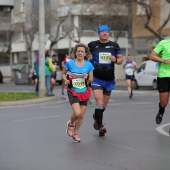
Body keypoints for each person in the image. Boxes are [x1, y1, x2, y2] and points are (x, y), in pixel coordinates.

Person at [88, 25, 123, 136]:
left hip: (109, 79)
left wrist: (116, 60)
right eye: (102, 32)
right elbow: (85, 55)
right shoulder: (92, 45)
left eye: (107, 32)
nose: (105, 33)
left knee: (103, 106)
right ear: (99, 33)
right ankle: (101, 127)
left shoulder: (114, 45)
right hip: (96, 78)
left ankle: (96, 116)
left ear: (109, 33)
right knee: (99, 101)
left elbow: (120, 60)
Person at [62, 43, 94, 142]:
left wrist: (87, 77)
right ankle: (70, 124)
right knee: (77, 113)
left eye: (82, 51)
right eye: (78, 51)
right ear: (75, 52)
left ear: (85, 54)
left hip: (84, 91)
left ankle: (75, 133)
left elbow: (91, 80)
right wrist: (65, 80)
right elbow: (63, 73)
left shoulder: (89, 65)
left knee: (81, 116)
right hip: (73, 90)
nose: (80, 53)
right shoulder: (70, 63)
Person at [150, 38, 170, 124]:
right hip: (164, 75)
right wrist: (163, 60)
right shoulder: (164, 43)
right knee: (163, 103)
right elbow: (152, 56)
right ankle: (161, 111)